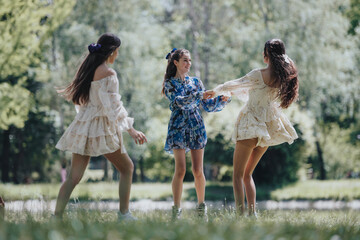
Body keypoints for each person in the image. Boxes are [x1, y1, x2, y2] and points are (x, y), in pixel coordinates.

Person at [54, 33, 147, 220]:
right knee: (127, 168)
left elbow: (82, 103)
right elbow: (114, 107)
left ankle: (56, 217)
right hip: (101, 128)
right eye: (117, 51)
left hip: (83, 126)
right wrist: (132, 129)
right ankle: (124, 215)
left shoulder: (88, 69)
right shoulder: (109, 74)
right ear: (112, 51)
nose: (117, 55)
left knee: (74, 177)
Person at [206, 39, 299, 217]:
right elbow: (253, 94)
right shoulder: (282, 77)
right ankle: (252, 213)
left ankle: (240, 215)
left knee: (237, 175)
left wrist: (215, 90)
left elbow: (235, 83)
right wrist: (231, 92)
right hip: (267, 128)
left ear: (267, 56)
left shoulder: (258, 74)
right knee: (248, 174)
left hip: (251, 125)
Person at [162, 48, 230, 220]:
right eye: (185, 60)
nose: (188, 64)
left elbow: (207, 106)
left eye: (190, 60)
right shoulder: (169, 84)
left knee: (198, 170)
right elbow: (179, 102)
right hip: (178, 128)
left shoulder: (196, 82)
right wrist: (199, 95)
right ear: (175, 62)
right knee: (181, 170)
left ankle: (201, 208)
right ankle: (176, 210)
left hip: (196, 127)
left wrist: (221, 100)